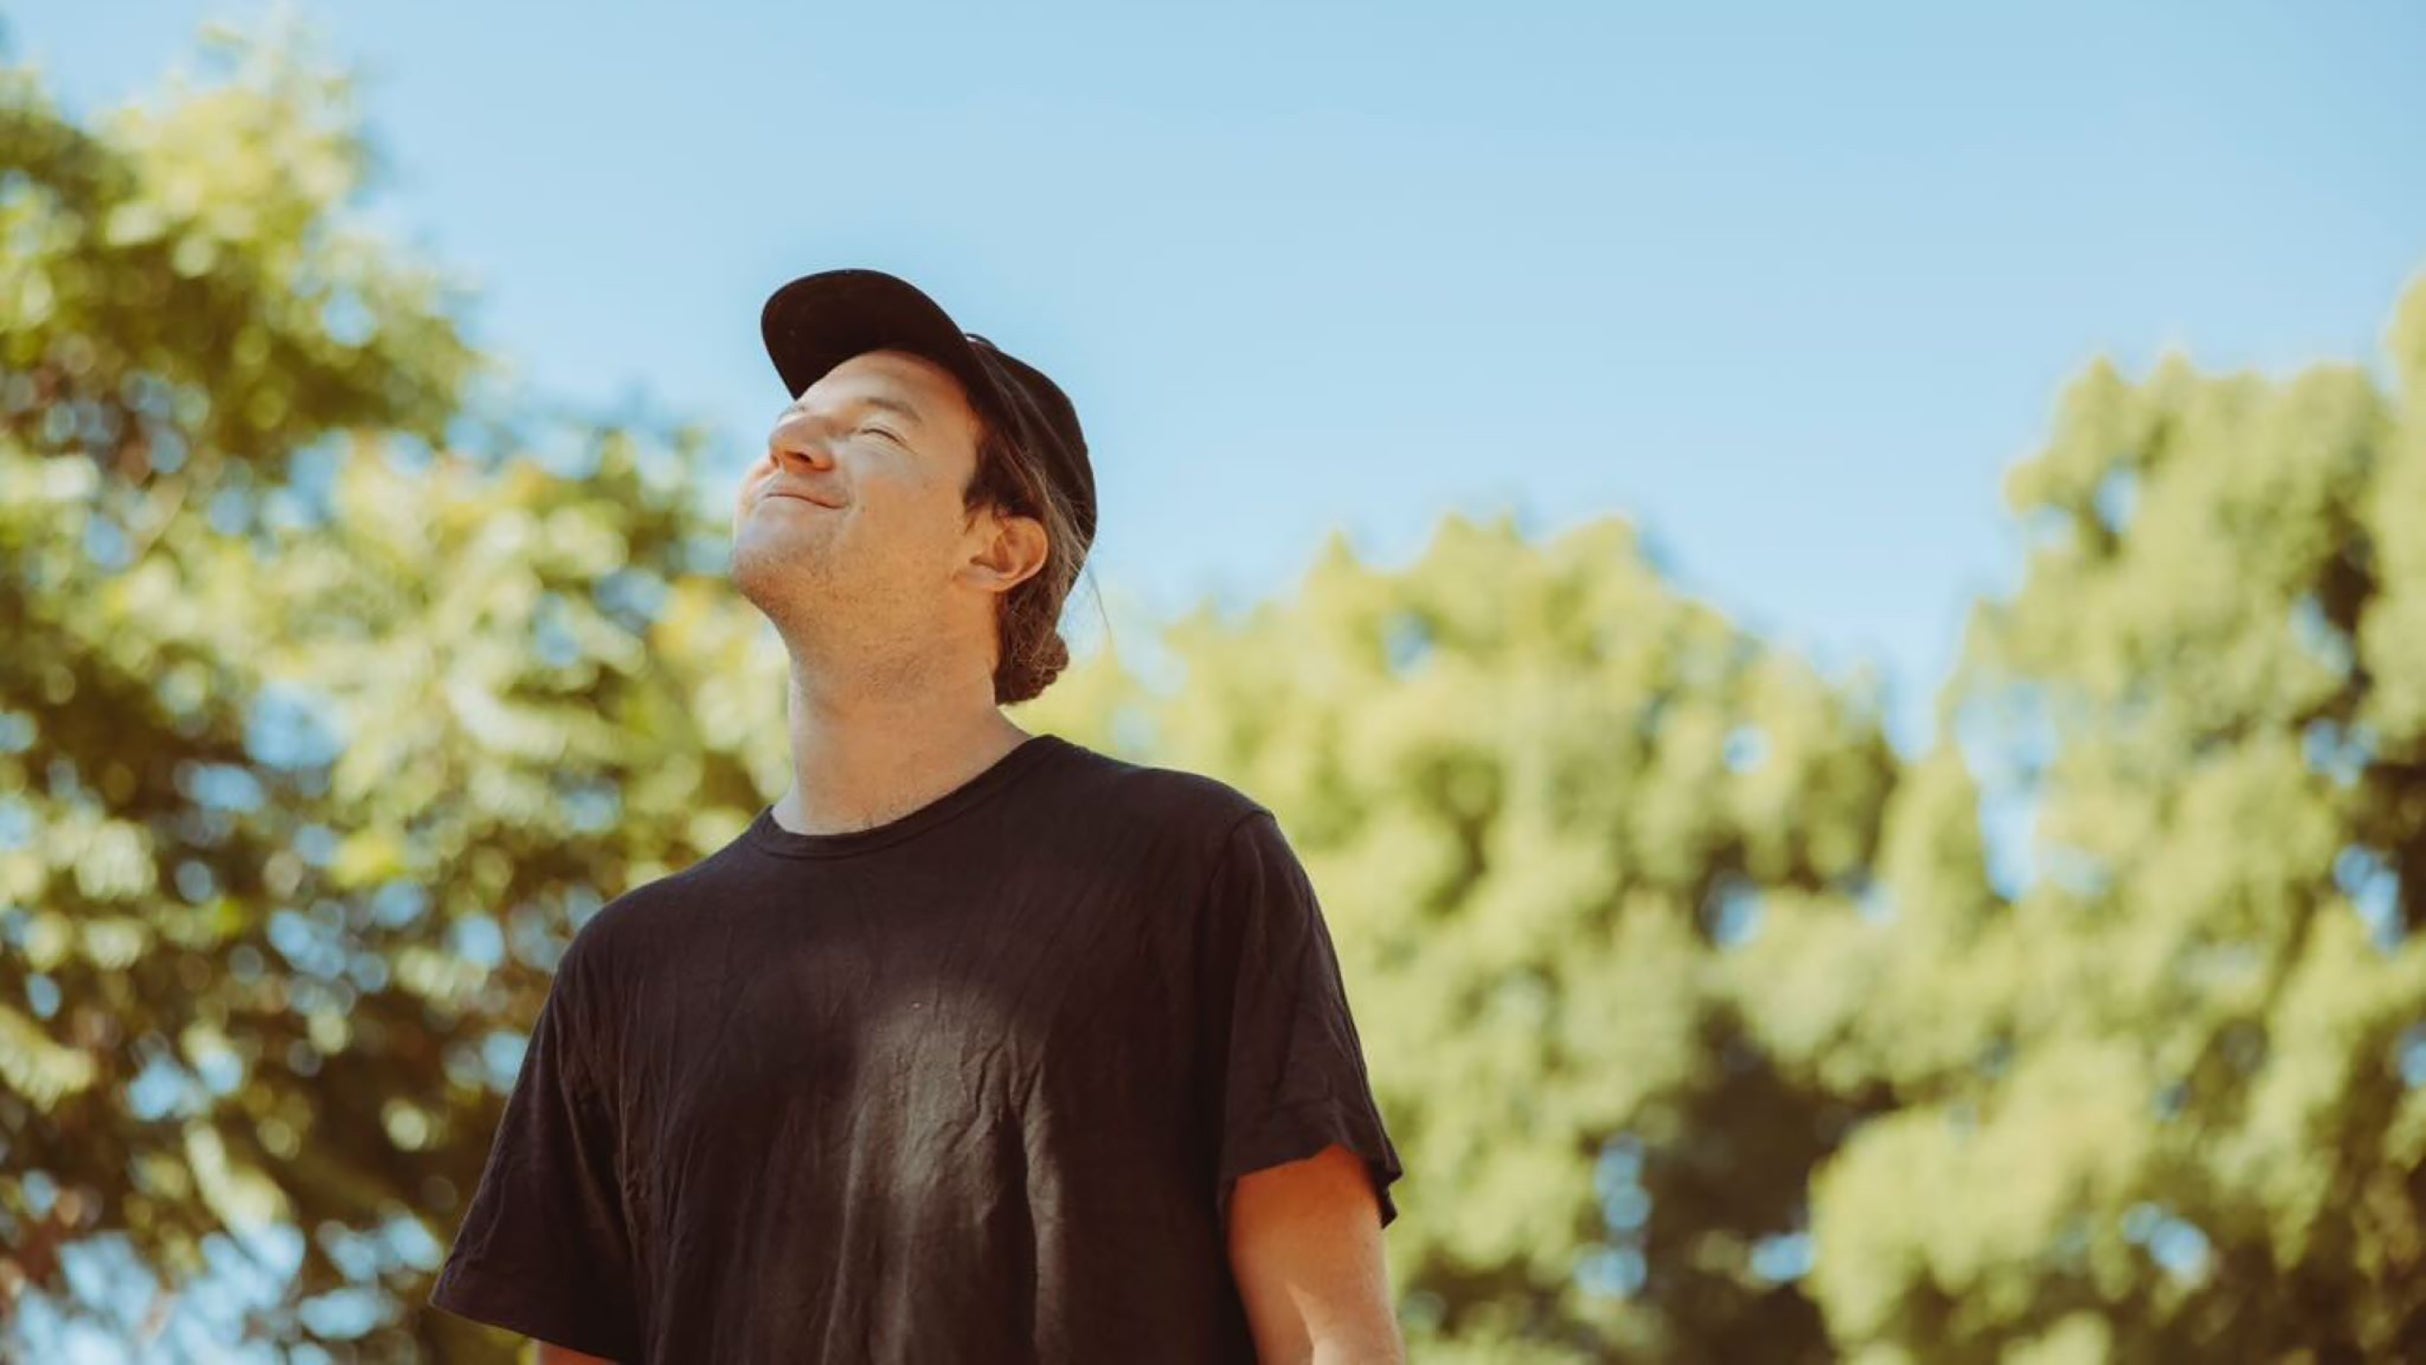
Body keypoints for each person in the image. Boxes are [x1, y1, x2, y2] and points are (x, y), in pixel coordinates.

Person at [426, 267, 1406, 1363]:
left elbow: (1332, 1344)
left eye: (873, 434)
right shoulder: (626, 964)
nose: (790, 449)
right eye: (790, 427)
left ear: (996, 547)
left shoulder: (1187, 865)